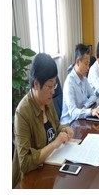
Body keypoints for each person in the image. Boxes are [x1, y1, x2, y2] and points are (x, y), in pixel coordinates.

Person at [12, 53, 74, 187]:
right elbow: (25, 163)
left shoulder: (47, 100)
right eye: (49, 86)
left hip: (50, 168)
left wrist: (64, 129)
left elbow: (55, 127)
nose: (53, 92)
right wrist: (54, 144)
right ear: (36, 84)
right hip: (31, 179)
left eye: (54, 86)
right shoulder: (23, 113)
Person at [61, 44, 99, 125]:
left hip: (81, 120)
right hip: (69, 125)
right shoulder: (69, 83)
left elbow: (93, 95)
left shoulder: (84, 78)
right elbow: (73, 113)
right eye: (86, 64)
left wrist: (85, 106)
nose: (88, 68)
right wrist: (90, 111)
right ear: (78, 62)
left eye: (88, 64)